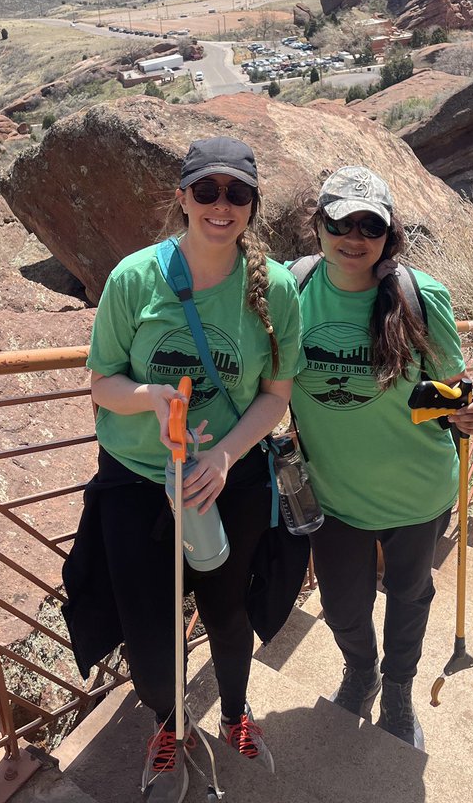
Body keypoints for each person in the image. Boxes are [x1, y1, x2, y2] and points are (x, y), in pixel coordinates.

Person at [65, 136, 303, 803]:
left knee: (227, 612)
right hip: (139, 480)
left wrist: (225, 455)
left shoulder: (276, 289)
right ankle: (170, 725)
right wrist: (146, 397)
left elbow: (276, 395)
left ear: (252, 206)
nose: (220, 206)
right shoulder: (134, 279)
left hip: (229, 481)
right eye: (207, 191)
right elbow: (101, 382)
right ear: (183, 197)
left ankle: (232, 715)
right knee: (148, 629)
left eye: (236, 193)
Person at [288, 166, 473, 750]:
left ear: (387, 233)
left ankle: (397, 690)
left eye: (369, 225)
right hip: (334, 494)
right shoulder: (290, 290)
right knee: (342, 602)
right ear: (317, 225)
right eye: (340, 222)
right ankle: (361, 670)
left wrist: (463, 410)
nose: (354, 236)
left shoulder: (418, 295)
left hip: (416, 489)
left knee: (409, 595)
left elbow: (452, 384)